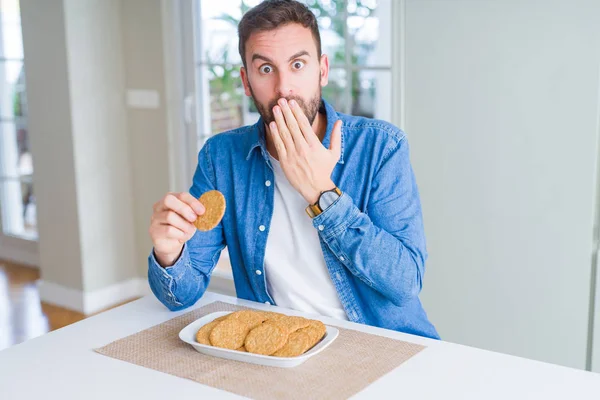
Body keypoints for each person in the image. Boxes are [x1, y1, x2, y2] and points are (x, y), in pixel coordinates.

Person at [148, 0, 439, 339]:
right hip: (278, 348)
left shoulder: (382, 147)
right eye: (266, 69)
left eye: (298, 64)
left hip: (378, 344)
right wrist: (169, 254)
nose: (284, 87)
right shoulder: (220, 157)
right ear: (246, 80)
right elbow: (180, 295)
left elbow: (405, 282)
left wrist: (322, 194)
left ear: (322, 70)